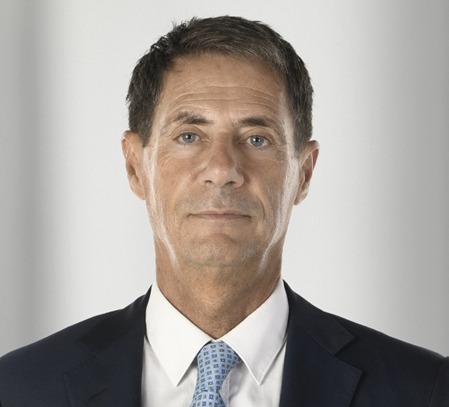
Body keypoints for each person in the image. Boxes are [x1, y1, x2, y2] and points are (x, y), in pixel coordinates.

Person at [0, 15, 447, 407]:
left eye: (257, 139)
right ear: (135, 167)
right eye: (189, 136)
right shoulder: (18, 388)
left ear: (304, 173)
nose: (222, 169)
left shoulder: (424, 389)